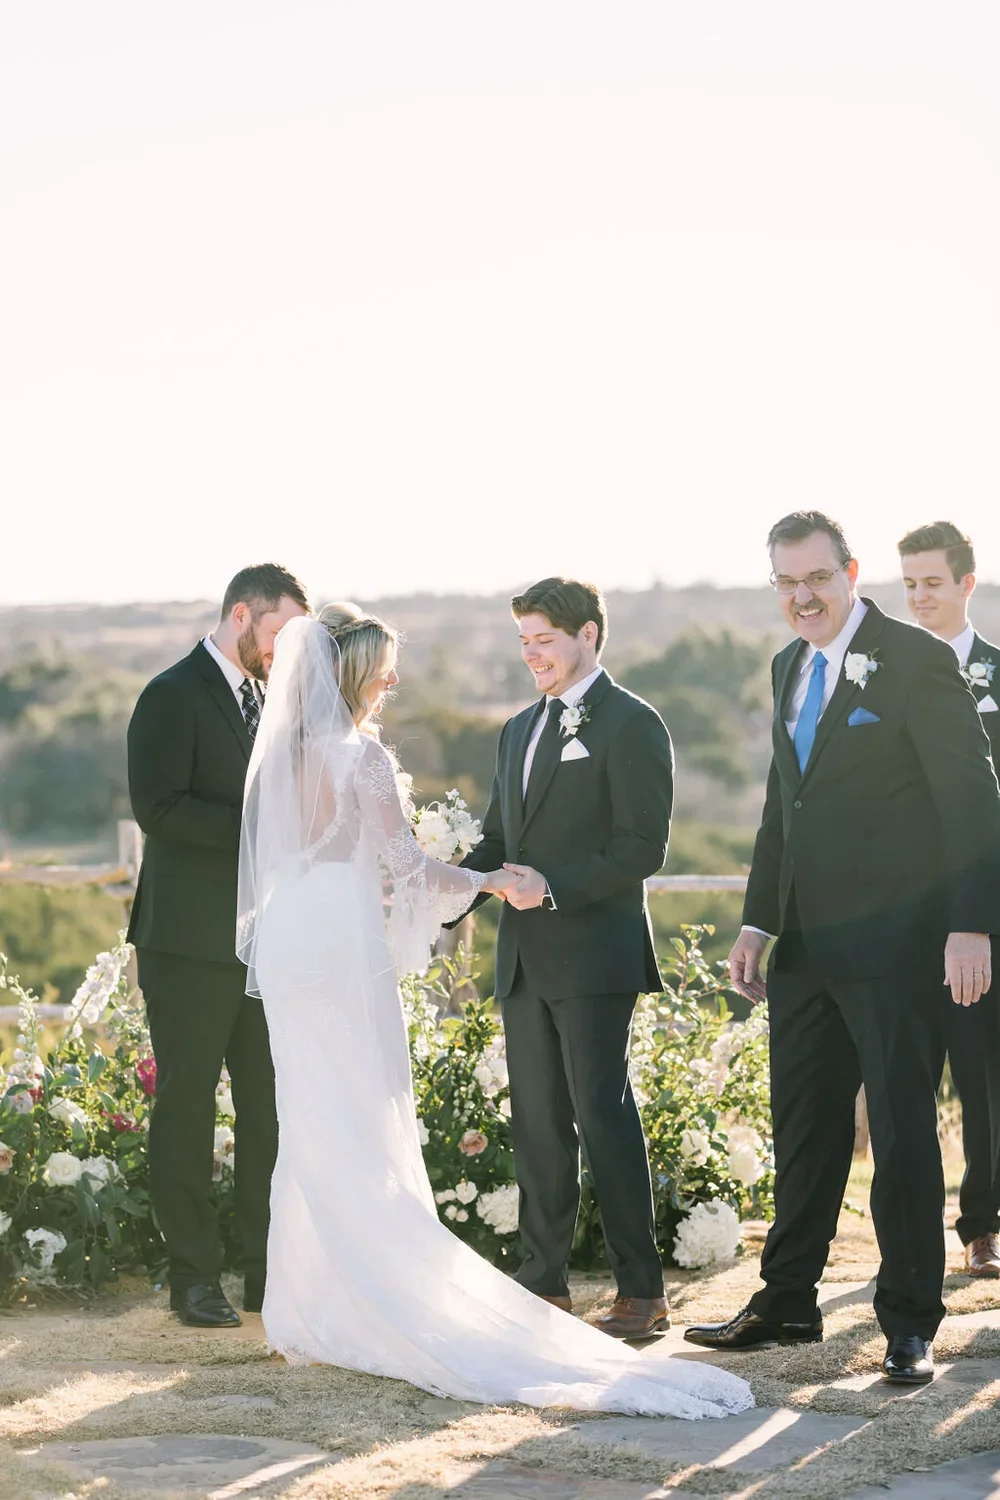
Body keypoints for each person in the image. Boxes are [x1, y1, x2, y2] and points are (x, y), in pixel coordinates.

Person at [236, 606, 752, 1418]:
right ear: (354, 675)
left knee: (311, 1114)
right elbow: (404, 862)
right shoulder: (360, 755)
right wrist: (484, 882)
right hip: (340, 946)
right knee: (361, 1112)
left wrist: (477, 880)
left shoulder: (282, 758)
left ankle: (305, 1307)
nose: (394, 681)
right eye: (384, 668)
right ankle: (381, 1294)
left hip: (296, 942)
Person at [685, 511, 1000, 1385]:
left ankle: (909, 1319)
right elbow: (784, 808)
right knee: (806, 1130)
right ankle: (787, 1300)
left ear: (850, 571)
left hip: (902, 949)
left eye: (816, 579)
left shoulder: (917, 661)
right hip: (807, 954)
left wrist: (971, 925)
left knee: (901, 1134)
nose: (801, 597)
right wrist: (757, 920)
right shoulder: (789, 665)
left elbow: (974, 800)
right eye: (785, 582)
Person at [459, 578, 674, 1339]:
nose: (532, 656)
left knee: (604, 1118)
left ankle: (641, 1293)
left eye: (543, 640)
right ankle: (541, 1288)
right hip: (522, 962)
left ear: (587, 634)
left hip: (595, 957)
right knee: (540, 1125)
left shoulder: (633, 723)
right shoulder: (516, 729)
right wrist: (448, 886)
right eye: (523, 642)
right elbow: (495, 841)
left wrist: (552, 888)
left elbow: (640, 848)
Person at [127, 563, 310, 1327]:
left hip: (265, 946)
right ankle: (193, 1276)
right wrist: (260, 833)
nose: (286, 648)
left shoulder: (271, 700)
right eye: (280, 632)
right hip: (186, 942)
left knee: (269, 1109)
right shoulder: (169, 696)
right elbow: (159, 809)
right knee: (188, 1106)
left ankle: (266, 1271)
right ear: (242, 616)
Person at [899, 520, 1000, 1279]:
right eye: (909, 585)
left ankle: (983, 1224)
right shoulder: (883, 673)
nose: (920, 597)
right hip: (899, 917)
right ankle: (906, 1239)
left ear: (966, 583)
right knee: (905, 1078)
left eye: (932, 582)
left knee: (984, 1077)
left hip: (981, 915)